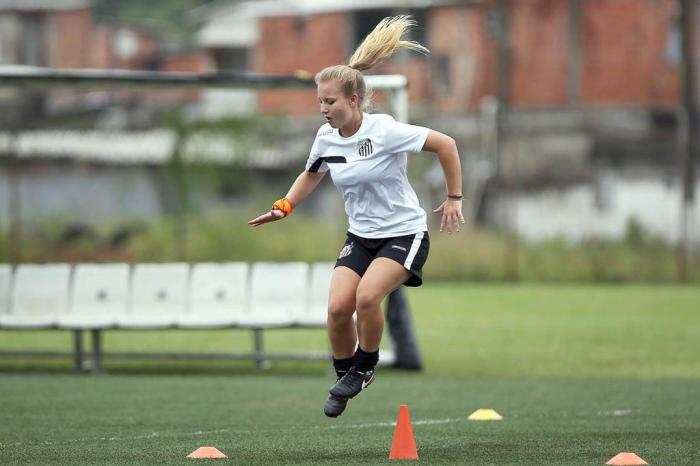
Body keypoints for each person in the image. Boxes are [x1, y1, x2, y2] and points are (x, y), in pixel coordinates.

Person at [248, 15, 463, 418]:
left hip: (404, 233)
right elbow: (311, 174)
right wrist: (284, 207)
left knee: (367, 297)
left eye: (330, 102)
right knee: (335, 309)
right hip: (362, 236)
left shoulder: (384, 130)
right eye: (320, 102)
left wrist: (454, 197)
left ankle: (365, 368)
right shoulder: (325, 138)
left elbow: (447, 145)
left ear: (352, 100)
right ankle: (345, 375)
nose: (324, 109)